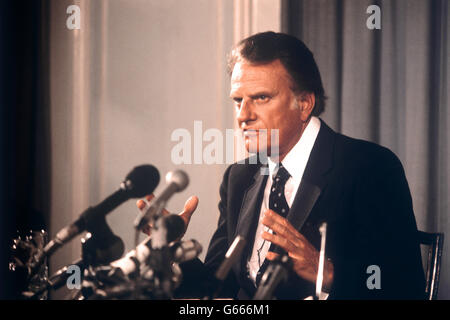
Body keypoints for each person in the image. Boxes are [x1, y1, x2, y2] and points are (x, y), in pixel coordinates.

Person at [140, 31, 426, 299]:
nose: (243, 115)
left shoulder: (369, 167)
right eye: (238, 101)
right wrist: (172, 250)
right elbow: (215, 289)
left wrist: (327, 273)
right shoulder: (239, 176)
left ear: (303, 104)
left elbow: (406, 287)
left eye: (261, 98)